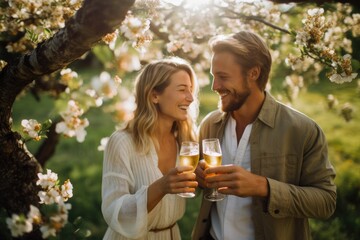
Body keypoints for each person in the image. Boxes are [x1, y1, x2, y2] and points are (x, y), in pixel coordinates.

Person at [192, 31, 337, 240]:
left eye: (223, 77)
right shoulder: (210, 125)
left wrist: (264, 187)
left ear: (253, 73)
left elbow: (326, 202)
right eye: (214, 76)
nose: (214, 86)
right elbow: (196, 183)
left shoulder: (302, 130)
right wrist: (199, 179)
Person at [102, 57, 199, 240]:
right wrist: (161, 187)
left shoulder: (185, 142)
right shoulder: (122, 142)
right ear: (155, 95)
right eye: (182, 89)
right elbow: (114, 211)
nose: (190, 98)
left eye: (191, 90)